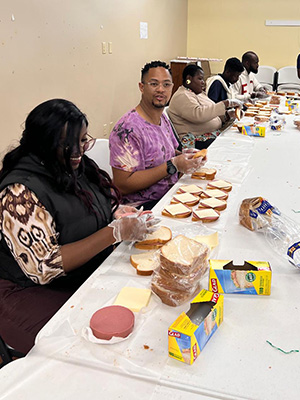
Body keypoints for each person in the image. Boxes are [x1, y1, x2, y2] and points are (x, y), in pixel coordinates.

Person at [0, 99, 158, 354]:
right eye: (68, 144)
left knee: (139, 311)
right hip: (28, 288)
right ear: (43, 143)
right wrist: (113, 232)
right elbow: (44, 267)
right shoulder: (20, 193)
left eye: (84, 140)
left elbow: (86, 209)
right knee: (85, 345)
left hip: (79, 271)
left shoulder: (75, 166)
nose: (79, 150)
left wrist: (114, 212)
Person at [109, 61, 203, 209]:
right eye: (154, 84)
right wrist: (174, 165)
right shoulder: (127, 129)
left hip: (170, 194)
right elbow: (122, 184)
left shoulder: (162, 117)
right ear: (141, 87)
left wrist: (186, 156)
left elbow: (168, 152)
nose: (161, 90)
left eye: (166, 85)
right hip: (142, 208)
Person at [167, 64, 241, 150]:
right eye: (200, 79)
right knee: (229, 145)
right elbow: (199, 115)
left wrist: (228, 115)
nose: (203, 82)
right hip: (194, 139)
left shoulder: (198, 93)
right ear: (189, 79)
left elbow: (211, 111)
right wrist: (226, 104)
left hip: (209, 134)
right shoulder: (182, 95)